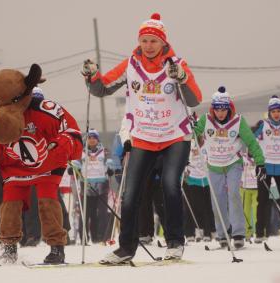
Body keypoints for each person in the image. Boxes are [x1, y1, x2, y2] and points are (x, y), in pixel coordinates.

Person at [82, 13, 202, 262]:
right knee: (131, 192)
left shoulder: (175, 64)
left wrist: (182, 77)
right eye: (144, 40)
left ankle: (175, 242)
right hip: (144, 137)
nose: (148, 46)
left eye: (153, 41)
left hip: (175, 137)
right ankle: (126, 247)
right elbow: (102, 88)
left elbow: (194, 100)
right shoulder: (130, 65)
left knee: (170, 184)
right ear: (139, 41)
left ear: (163, 43)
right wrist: (91, 76)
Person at [0, 68, 83, 265]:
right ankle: (9, 249)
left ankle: (56, 248)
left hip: (47, 163)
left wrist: (64, 144)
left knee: (47, 202)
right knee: (9, 206)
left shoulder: (44, 109)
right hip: (15, 167)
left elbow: (70, 130)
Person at [193, 86, 265, 249]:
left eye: (224, 109)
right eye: (217, 109)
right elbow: (192, 134)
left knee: (233, 194)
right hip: (214, 165)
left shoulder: (238, 121)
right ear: (213, 109)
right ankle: (223, 233)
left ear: (229, 108)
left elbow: (251, 142)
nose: (220, 113)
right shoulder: (206, 120)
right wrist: (191, 125)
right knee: (217, 200)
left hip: (233, 162)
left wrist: (260, 162)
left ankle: (238, 233)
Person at [254, 95, 280, 243]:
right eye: (273, 111)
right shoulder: (264, 125)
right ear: (269, 113)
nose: (276, 114)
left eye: (279, 111)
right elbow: (252, 140)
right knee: (263, 200)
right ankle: (260, 232)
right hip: (265, 167)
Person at [76, 128, 113, 244]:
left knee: (101, 213)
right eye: (89, 138)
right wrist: (73, 169)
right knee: (86, 213)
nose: (92, 140)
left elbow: (110, 163)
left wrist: (111, 168)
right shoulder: (80, 151)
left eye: (94, 138)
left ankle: (102, 237)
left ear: (97, 139)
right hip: (86, 186)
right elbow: (76, 163)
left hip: (101, 186)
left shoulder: (104, 151)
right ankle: (84, 238)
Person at [183, 140, 216, 242]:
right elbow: (185, 159)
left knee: (207, 206)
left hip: (207, 178)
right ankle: (197, 230)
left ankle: (208, 232)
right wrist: (184, 170)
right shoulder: (191, 144)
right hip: (193, 178)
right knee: (195, 205)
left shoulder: (208, 143)